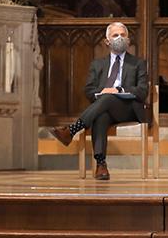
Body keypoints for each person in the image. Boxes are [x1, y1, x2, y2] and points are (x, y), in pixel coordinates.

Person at [47, 22, 149, 180]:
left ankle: (72, 130)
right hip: (105, 108)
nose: (120, 38)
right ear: (107, 41)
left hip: (129, 109)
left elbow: (143, 91)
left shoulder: (138, 63)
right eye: (115, 35)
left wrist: (119, 90)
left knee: (108, 97)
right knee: (101, 116)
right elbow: (89, 90)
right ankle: (101, 165)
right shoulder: (98, 64)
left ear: (129, 40)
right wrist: (101, 93)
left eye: (123, 35)